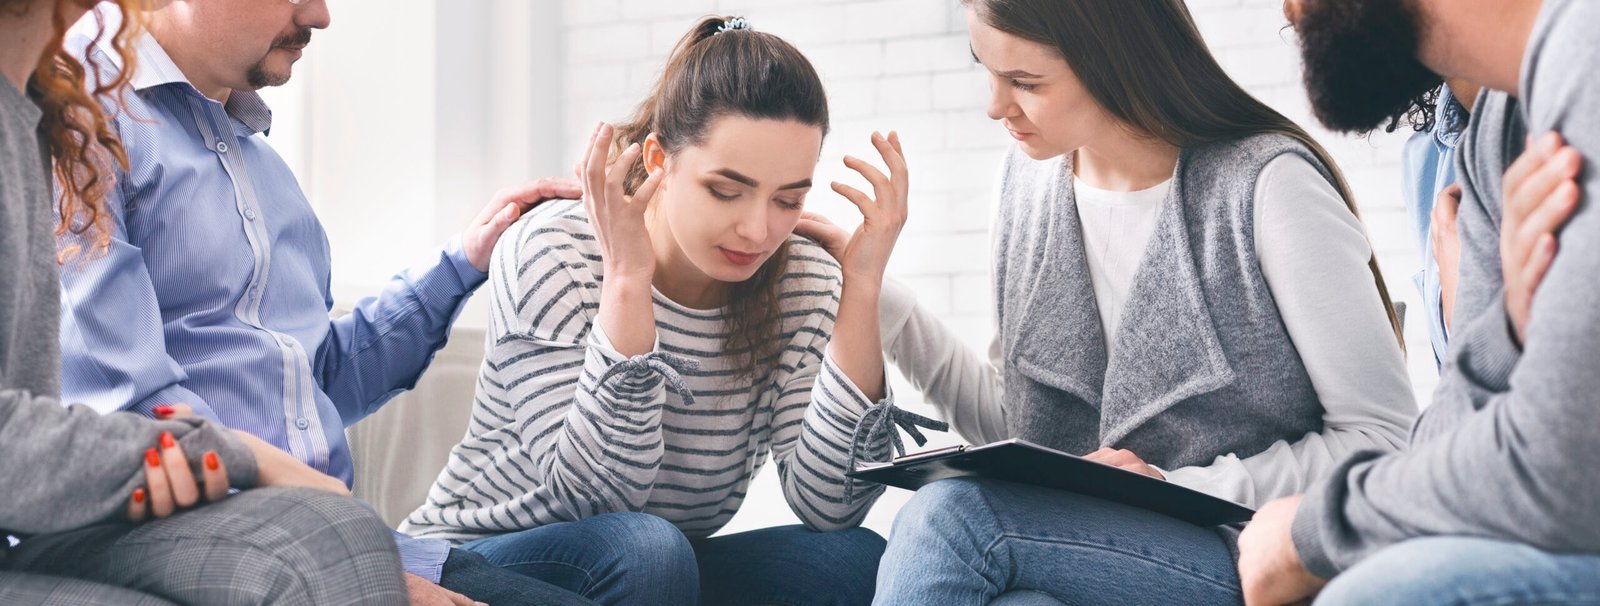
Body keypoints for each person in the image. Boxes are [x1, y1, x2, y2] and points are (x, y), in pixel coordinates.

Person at [857, 1, 1419, 603]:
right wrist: (876, 299)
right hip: (1091, 551)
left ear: (1115, 58)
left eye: (1025, 82)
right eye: (986, 70)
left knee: (952, 517)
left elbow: (1383, 439)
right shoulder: (1022, 187)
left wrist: (1174, 483)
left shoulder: (1268, 185)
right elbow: (1025, 431)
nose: (995, 105)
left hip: (1253, 553)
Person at [50, 1, 595, 604]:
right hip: (222, 541)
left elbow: (316, 382)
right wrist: (354, 572)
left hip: (335, 534)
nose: (320, 15)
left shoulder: (262, 171)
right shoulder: (82, 121)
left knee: (634, 562)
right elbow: (130, 408)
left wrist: (465, 261)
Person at [402, 16, 923, 606]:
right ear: (658, 159)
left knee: (849, 561)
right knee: (648, 551)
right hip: (484, 553)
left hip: (656, 567)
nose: (758, 230)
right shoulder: (555, 250)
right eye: (725, 191)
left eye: (789, 199)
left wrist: (859, 285)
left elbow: (834, 505)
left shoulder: (798, 277)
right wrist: (628, 279)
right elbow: (597, 498)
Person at [0, 0, 405, 603]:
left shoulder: (37, 117)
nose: (319, 16)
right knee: (332, 538)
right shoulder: (84, 134)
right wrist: (233, 455)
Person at [1240, 0, 1600, 604]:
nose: (1289, 9)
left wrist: (1309, 535)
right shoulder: (1498, 124)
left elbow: (1563, 473)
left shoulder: (1586, 59)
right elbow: (1444, 441)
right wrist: (1501, 334)